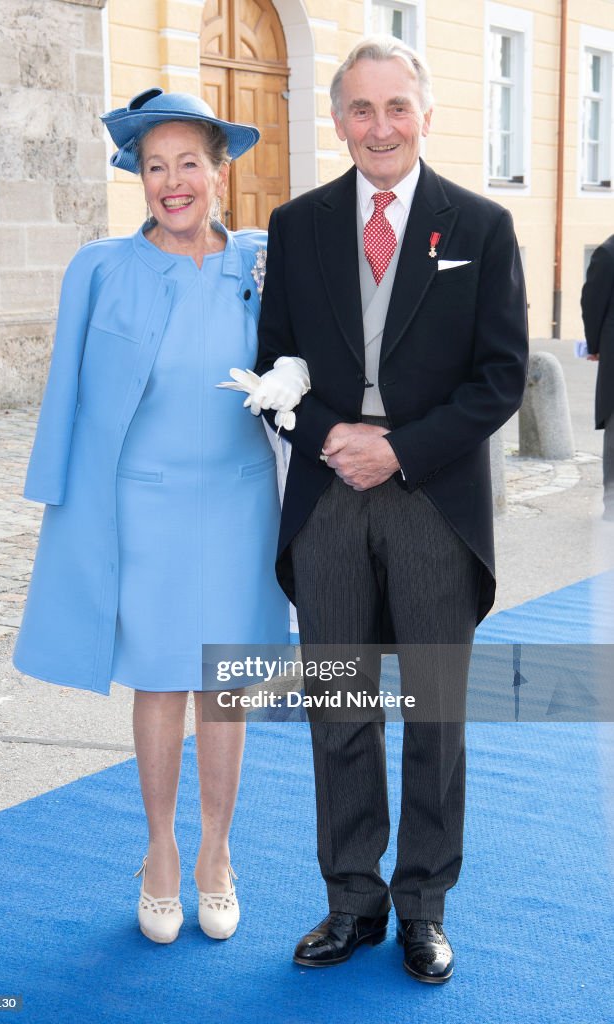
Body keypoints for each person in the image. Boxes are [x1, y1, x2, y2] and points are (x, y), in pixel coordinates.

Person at [254, 37, 529, 982]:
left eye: (396, 108)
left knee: (434, 713)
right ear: (338, 121)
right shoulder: (298, 226)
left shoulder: (482, 227)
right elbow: (276, 361)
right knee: (339, 708)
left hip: (432, 501)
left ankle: (422, 907)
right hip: (328, 492)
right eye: (361, 110)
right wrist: (335, 437)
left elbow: (499, 377)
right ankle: (351, 903)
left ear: (424, 113)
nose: (380, 127)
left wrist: (400, 449)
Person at [12, 89, 291, 945]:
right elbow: (66, 389)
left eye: (189, 164)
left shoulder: (263, 261)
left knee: (224, 680)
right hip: (142, 502)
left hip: (240, 499)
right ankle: (160, 853)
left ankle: (217, 853)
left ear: (219, 170)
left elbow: (314, 341)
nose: (173, 182)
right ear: (138, 175)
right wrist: (60, 496)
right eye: (155, 166)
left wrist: (300, 377)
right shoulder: (98, 267)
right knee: (162, 676)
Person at [581, 234, 614, 521]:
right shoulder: (607, 252)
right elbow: (593, 302)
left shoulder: (607, 251)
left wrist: (594, 345)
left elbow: (592, 302)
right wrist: (594, 345)